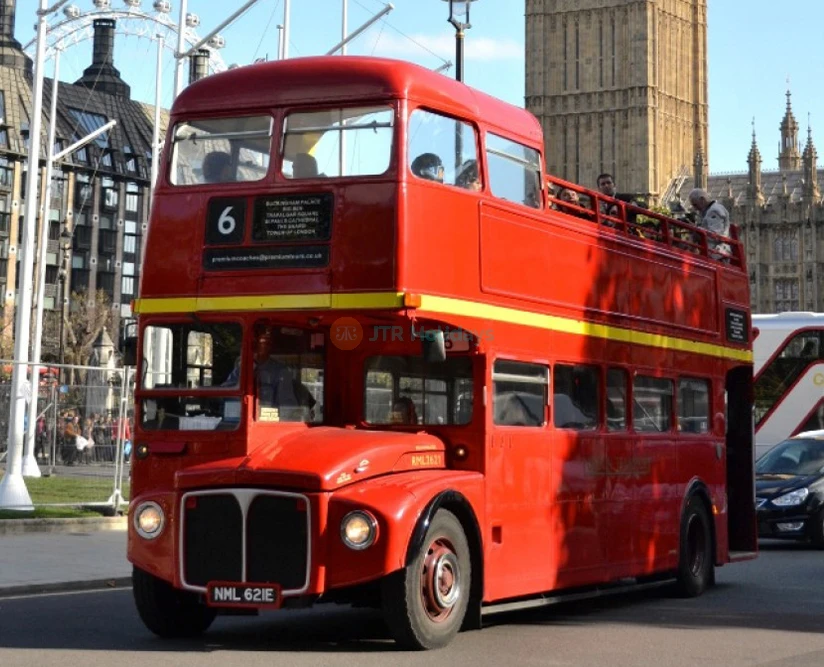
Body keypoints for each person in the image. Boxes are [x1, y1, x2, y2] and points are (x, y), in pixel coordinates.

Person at [688, 187, 731, 257]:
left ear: (702, 200)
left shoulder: (714, 211)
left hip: (717, 253)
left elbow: (716, 235)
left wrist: (696, 229)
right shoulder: (708, 211)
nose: (695, 208)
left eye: (695, 205)